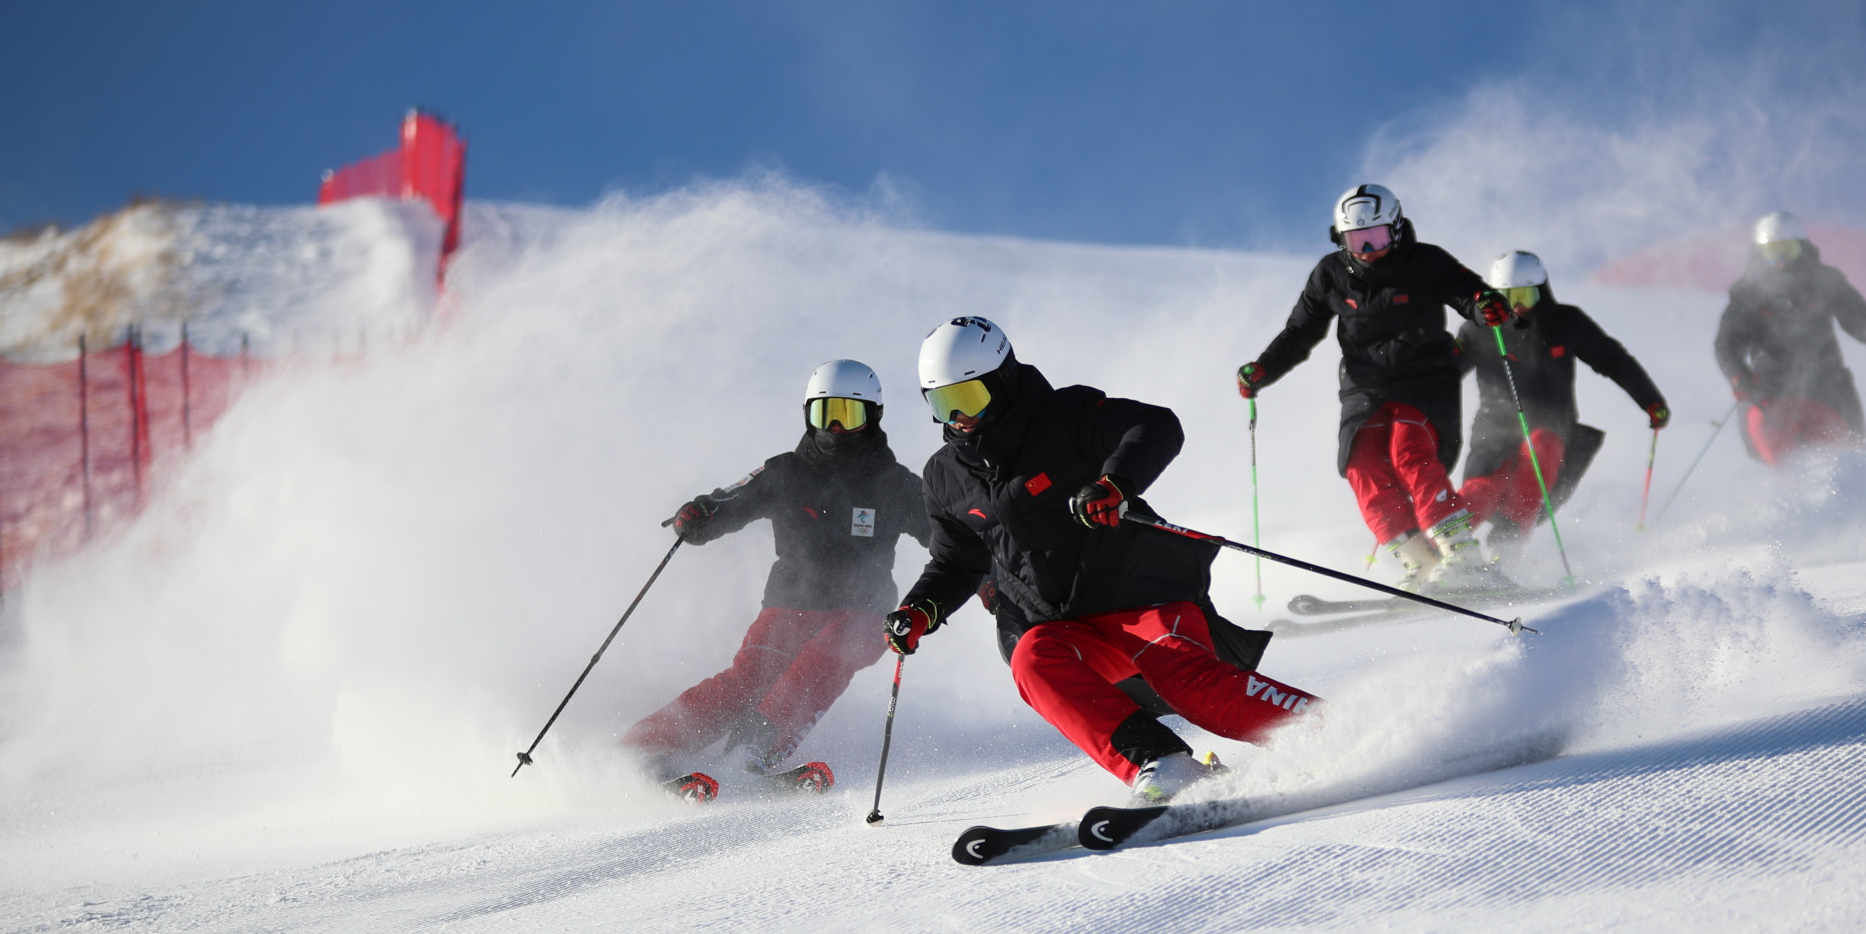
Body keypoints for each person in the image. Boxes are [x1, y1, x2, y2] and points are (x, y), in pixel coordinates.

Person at [886, 315, 1316, 804]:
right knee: (1031, 660)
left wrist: (1116, 483)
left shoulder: (1065, 415)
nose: (958, 417)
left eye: (968, 397)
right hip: (1066, 626)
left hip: (1141, 594)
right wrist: (919, 609)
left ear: (1003, 381)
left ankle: (1325, 728)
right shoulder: (944, 477)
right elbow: (956, 562)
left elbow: (1155, 425)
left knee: (1187, 682)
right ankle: (1162, 763)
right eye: (942, 403)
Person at [623, 359, 932, 801]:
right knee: (748, 677)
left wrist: (987, 576)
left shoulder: (896, 485)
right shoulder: (787, 472)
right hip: (791, 601)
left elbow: (951, 541)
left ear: (874, 416)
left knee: (824, 658)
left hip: (865, 611)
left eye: (850, 415)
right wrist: (703, 514)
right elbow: (734, 500)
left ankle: (752, 749)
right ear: (808, 415)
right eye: (826, 414)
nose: (837, 428)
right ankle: (647, 745)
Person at [1235, 184, 1510, 589]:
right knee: (1360, 463)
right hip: (1364, 385)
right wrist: (1263, 369)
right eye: (1356, 240)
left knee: (1408, 450)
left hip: (1425, 379)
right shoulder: (1330, 274)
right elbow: (1299, 333)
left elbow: (1469, 293)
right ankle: (1421, 561)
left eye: (1376, 238)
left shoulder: (1426, 261)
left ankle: (1461, 552)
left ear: (1395, 230)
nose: (1367, 250)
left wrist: (1487, 307)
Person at [1456, 250, 1669, 545]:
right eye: (1507, 297)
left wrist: (1650, 400)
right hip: (1495, 430)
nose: (1516, 307)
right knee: (1485, 485)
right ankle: (1446, 545)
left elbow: (1612, 359)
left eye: (1525, 296)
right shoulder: (1479, 330)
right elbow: (1444, 373)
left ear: (1542, 292)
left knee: (1541, 446)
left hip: (1552, 429)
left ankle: (1506, 547)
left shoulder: (1565, 323)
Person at [1714, 211, 1866, 465]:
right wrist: (1739, 377)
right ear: (1760, 253)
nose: (1781, 261)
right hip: (1769, 396)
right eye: (1773, 252)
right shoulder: (1748, 294)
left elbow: (1861, 324)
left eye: (1788, 250)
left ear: (1802, 248)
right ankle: (1796, 490)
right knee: (1785, 460)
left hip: (1827, 392)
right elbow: (1726, 344)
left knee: (1845, 460)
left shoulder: (1826, 282)